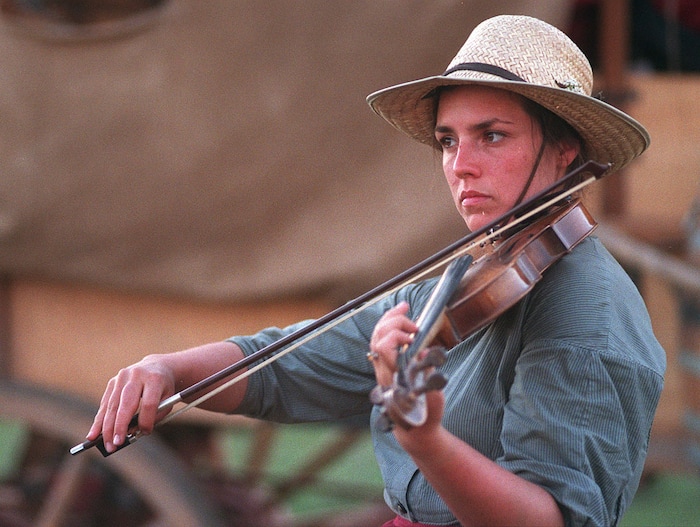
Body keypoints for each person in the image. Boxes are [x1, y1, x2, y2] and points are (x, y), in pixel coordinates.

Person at [86, 15, 665, 527]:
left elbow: (551, 519)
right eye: (447, 141)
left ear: (566, 148)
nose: (461, 167)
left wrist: (426, 442)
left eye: (491, 136)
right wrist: (170, 370)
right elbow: (295, 363)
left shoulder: (586, 318)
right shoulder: (478, 273)